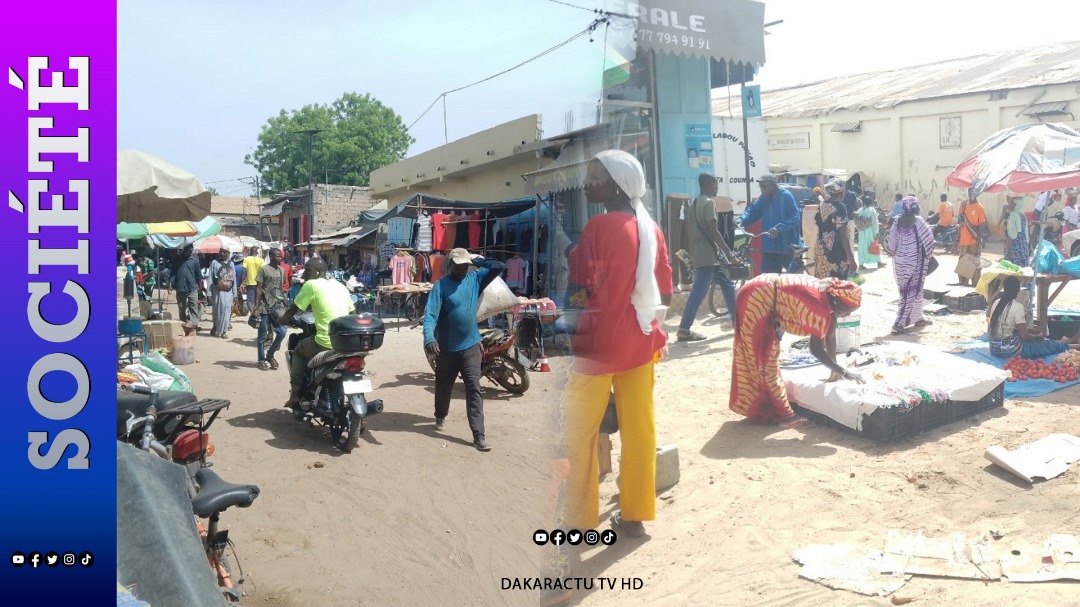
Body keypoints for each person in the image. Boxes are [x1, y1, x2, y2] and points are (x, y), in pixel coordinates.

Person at [563, 149, 673, 539]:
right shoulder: (652, 229)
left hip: (599, 344)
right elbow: (666, 292)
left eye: (596, 176)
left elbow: (579, 283)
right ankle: (636, 513)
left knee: (581, 430)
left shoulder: (598, 227)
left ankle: (579, 518)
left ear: (616, 184)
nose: (589, 183)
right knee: (640, 428)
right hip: (642, 341)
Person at [729, 274, 864, 424]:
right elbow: (817, 349)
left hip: (768, 292)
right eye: (847, 311)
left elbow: (830, 336)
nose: (847, 315)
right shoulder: (818, 306)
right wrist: (844, 371)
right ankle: (781, 414)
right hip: (756, 297)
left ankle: (764, 406)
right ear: (837, 301)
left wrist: (835, 372)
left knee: (768, 352)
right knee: (764, 357)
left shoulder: (830, 293)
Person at [422, 248, 506, 452]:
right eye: (458, 266)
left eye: (464, 266)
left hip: (470, 346)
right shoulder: (441, 286)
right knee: (443, 386)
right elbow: (431, 314)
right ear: (450, 264)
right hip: (447, 348)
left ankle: (479, 435)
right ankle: (440, 414)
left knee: (473, 388)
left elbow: (500, 267)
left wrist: (478, 260)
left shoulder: (475, 278)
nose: (461, 270)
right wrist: (429, 338)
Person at [279, 256, 355, 410]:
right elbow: (353, 311)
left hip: (326, 342)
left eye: (307, 270)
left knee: (299, 350)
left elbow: (295, 308)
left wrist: (283, 319)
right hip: (347, 342)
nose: (304, 274)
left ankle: (295, 395)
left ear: (319, 272)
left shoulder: (311, 285)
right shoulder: (340, 286)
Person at [676, 172, 739, 341]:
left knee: (727, 284)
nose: (717, 187)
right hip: (708, 257)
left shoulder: (694, 202)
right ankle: (684, 329)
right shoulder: (709, 203)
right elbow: (714, 231)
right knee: (698, 293)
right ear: (708, 185)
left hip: (702, 254)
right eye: (715, 184)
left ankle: (737, 323)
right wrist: (729, 253)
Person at [989, 276, 1075, 359]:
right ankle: (1069, 344)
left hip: (994, 348)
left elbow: (1008, 328)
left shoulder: (996, 303)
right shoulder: (1017, 307)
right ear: (1017, 290)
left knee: (1041, 342)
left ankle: (1065, 342)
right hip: (1009, 351)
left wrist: (1031, 332)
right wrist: (1038, 337)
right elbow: (1025, 337)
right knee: (1043, 345)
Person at [885, 196, 935, 334]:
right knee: (910, 292)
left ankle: (918, 317)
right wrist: (928, 254)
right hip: (915, 263)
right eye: (918, 206)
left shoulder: (896, 222)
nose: (919, 208)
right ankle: (899, 322)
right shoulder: (918, 221)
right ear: (914, 207)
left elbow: (891, 246)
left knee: (912, 291)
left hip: (900, 263)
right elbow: (930, 241)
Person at [738, 174, 801, 273]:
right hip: (770, 248)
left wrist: (780, 228)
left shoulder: (785, 195)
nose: (762, 190)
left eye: (764, 187)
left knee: (795, 279)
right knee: (768, 282)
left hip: (787, 247)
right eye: (760, 187)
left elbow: (795, 217)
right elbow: (752, 211)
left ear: (773, 185)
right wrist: (741, 220)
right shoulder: (763, 198)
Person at [814, 179, 857, 280]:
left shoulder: (822, 205)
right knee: (837, 285)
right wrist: (851, 258)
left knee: (824, 283)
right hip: (836, 251)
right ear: (841, 191)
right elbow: (842, 234)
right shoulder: (840, 206)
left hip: (821, 251)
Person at [254, 248, 288, 371]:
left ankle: (270, 355)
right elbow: (258, 289)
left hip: (276, 308)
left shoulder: (282, 270)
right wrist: (256, 307)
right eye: (278, 256)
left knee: (282, 332)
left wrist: (285, 304)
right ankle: (261, 360)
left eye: (280, 256)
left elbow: (280, 289)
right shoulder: (263, 269)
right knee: (262, 336)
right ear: (271, 256)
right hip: (264, 307)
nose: (280, 258)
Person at [957, 192, 988, 286]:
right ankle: (963, 285)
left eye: (974, 192)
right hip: (963, 241)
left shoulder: (980, 208)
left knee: (975, 265)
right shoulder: (963, 205)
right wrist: (957, 239)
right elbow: (960, 222)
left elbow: (982, 226)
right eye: (970, 191)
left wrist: (979, 241)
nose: (972, 194)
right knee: (963, 265)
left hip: (974, 241)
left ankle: (975, 286)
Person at [209, 250, 236, 338]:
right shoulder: (214, 263)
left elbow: (234, 280)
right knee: (217, 311)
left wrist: (235, 294)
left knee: (227, 311)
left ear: (228, 253)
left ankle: (224, 331)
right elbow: (210, 278)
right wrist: (209, 294)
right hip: (217, 291)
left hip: (228, 292)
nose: (222, 254)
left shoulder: (231, 264)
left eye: (225, 252)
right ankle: (216, 327)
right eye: (221, 252)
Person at [174, 244, 202, 331]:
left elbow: (198, 275)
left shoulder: (195, 261)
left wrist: (200, 286)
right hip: (180, 287)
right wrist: (170, 283)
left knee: (193, 306)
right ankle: (183, 323)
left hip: (192, 287)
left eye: (191, 250)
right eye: (188, 250)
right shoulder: (177, 260)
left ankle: (194, 324)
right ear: (184, 250)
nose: (190, 251)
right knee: (181, 306)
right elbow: (173, 272)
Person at [855, 196, 884, 270]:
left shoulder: (860, 210)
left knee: (862, 247)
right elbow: (875, 222)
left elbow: (856, 217)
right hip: (870, 231)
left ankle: (861, 264)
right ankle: (879, 262)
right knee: (873, 245)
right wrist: (877, 232)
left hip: (862, 232)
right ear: (871, 203)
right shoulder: (872, 210)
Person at [1004, 197, 1030, 267]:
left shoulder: (1013, 215)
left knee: (1012, 267)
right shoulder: (1023, 215)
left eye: (1011, 203)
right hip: (1023, 244)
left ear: (1016, 205)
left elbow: (1012, 234)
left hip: (1014, 244)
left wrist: (1008, 248)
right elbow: (1026, 233)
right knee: (1022, 267)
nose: (1009, 204)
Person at [242, 247, 264, 314]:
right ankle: (256, 313)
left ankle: (252, 313)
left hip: (250, 283)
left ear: (250, 252)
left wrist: (243, 282)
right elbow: (263, 271)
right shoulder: (261, 260)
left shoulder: (246, 259)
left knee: (249, 300)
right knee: (258, 299)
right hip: (259, 283)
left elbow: (244, 271)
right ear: (257, 253)